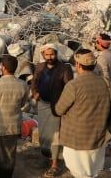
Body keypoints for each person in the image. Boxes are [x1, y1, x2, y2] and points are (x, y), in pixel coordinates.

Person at [53, 49, 111, 178]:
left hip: (77, 140)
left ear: (78, 65)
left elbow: (58, 110)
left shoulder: (73, 85)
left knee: (80, 173)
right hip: (98, 137)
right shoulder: (107, 83)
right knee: (93, 172)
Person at [31, 44, 74, 177]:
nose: (50, 57)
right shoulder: (39, 67)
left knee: (55, 135)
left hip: (57, 107)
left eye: (52, 54)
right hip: (42, 105)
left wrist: (64, 105)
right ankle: (47, 158)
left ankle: (54, 164)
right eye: (47, 55)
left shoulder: (64, 68)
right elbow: (34, 82)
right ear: (43, 55)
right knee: (44, 134)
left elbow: (70, 88)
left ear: (56, 53)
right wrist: (35, 93)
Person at [0, 55, 29, 178]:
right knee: (9, 153)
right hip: (13, 126)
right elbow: (23, 104)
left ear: (3, 67)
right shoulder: (23, 85)